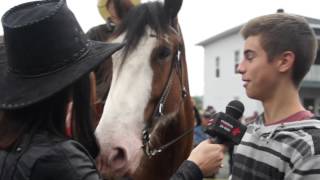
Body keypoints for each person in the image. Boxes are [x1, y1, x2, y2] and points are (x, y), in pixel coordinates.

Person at [0, 1, 224, 180]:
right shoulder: (60, 161)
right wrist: (193, 169)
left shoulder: (13, 146)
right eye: (90, 67)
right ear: (69, 83)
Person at [232, 12, 320, 180]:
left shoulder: (310, 149)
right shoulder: (253, 129)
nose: (240, 68)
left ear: (284, 61)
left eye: (250, 56)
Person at [87, 0, 140, 123]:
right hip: (100, 105)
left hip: (132, 104)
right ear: (107, 7)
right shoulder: (95, 34)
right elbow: (84, 70)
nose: (117, 5)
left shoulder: (140, 35)